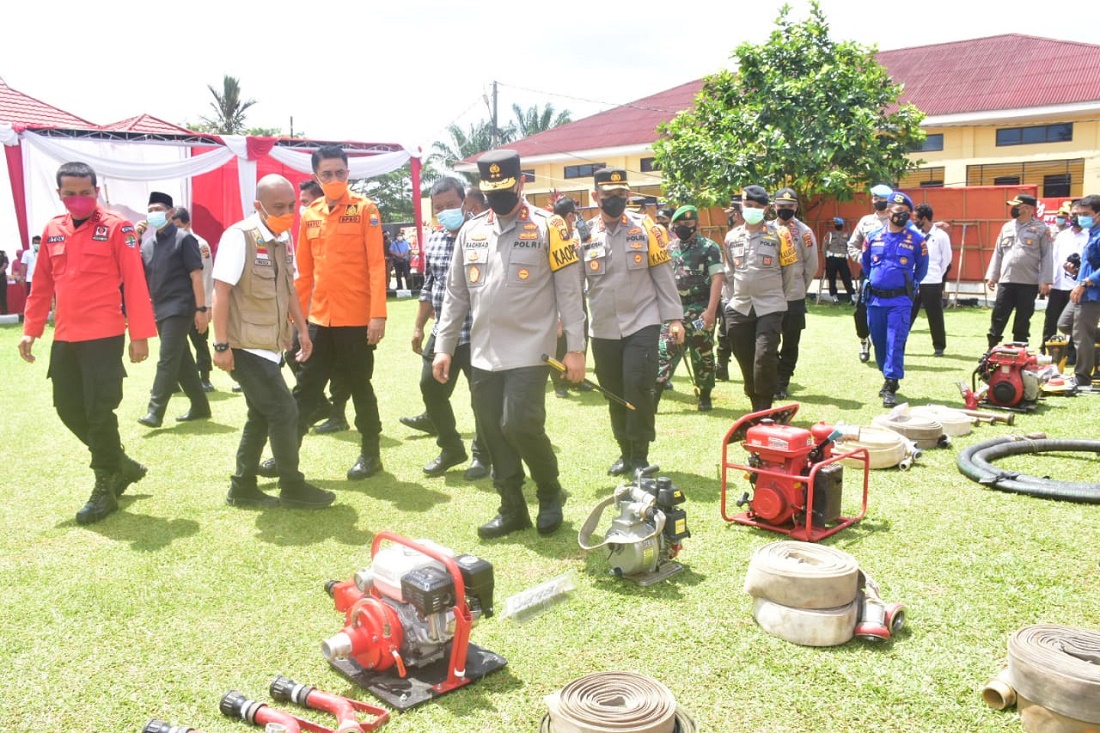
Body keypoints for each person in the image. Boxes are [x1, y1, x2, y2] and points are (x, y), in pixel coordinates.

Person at [432, 149, 586, 539]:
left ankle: (549, 493)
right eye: (491, 192)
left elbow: (570, 293)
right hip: (484, 351)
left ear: (520, 184)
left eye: (505, 190)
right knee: (491, 430)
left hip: (531, 348)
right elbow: (456, 294)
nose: (498, 198)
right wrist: (444, 346)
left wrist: (576, 349)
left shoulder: (551, 226)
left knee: (519, 424)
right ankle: (511, 506)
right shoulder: (472, 231)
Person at [19, 161, 157, 524]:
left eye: (85, 193)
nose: (78, 199)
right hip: (65, 335)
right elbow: (42, 284)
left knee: (99, 411)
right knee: (67, 407)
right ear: (59, 193)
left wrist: (139, 335)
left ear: (96, 191)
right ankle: (121, 463)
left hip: (104, 335)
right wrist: (31, 329)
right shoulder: (53, 229)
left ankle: (104, 485)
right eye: (70, 194)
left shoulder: (117, 227)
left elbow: (134, 281)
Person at [211, 175, 335, 509]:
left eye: (291, 206)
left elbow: (290, 287)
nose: (287, 213)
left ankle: (243, 487)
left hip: (271, 343)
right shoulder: (240, 236)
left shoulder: (283, 237)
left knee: (261, 414)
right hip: (244, 344)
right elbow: (221, 292)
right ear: (258, 206)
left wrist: (302, 330)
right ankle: (292, 485)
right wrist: (220, 345)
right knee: (284, 410)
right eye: (278, 207)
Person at [284, 144, 388, 480]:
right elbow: (303, 273)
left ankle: (370, 454)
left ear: (348, 172)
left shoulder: (365, 209)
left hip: (356, 319)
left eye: (340, 172)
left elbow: (376, 265)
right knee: (305, 386)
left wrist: (377, 315)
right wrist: (295, 321)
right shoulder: (310, 214)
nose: (334, 179)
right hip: (318, 319)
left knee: (359, 386)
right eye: (327, 174)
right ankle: (287, 454)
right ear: (316, 176)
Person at [582, 169, 682, 473]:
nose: (615, 200)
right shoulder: (584, 234)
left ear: (628, 195)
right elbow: (571, 285)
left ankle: (640, 457)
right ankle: (625, 453)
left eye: (621, 194)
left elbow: (663, 276)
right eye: (608, 195)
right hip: (603, 327)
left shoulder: (646, 228)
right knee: (613, 391)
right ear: (595, 196)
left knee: (637, 387)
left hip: (642, 322)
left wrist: (674, 319)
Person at [406, 177, 492, 480]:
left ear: (465, 203)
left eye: (451, 205)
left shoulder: (484, 236)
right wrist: (418, 326)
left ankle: (483, 456)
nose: (445, 212)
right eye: (439, 207)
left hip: (478, 332)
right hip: (443, 332)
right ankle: (451, 447)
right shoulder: (435, 239)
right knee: (430, 387)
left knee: (482, 398)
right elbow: (430, 285)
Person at [137, 192, 211, 427]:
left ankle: (155, 411)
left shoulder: (183, 239)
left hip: (181, 307)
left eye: (158, 209)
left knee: (167, 358)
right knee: (181, 360)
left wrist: (201, 309)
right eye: (150, 210)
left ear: (170, 212)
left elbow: (196, 275)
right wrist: (135, 239)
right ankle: (200, 406)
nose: (153, 214)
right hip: (160, 308)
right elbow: (136, 273)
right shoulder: (147, 245)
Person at [724, 185, 792, 412]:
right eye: (747, 205)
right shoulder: (731, 236)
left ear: (765, 209)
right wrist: (731, 299)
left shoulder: (780, 235)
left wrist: (778, 296)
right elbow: (730, 272)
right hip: (740, 306)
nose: (751, 209)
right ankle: (755, 404)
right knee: (744, 358)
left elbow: (789, 272)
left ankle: (764, 408)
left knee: (764, 357)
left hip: (770, 306)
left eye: (756, 206)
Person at [862, 192, 928, 407]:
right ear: (889, 211)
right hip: (875, 300)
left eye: (907, 213)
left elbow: (922, 269)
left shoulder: (916, 239)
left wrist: (909, 283)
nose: (903, 216)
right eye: (899, 211)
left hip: (900, 301)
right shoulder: (873, 237)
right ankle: (887, 375)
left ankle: (891, 383)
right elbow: (866, 264)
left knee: (895, 341)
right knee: (879, 341)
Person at [656, 205, 722, 410]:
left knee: (702, 352)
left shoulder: (709, 247)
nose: (682, 227)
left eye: (687, 223)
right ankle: (654, 396)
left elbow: (717, 279)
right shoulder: (670, 248)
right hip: (674, 312)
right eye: (678, 224)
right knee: (665, 351)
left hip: (700, 312)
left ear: (697, 225)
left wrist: (711, 312)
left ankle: (705, 395)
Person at [985, 193, 1053, 348]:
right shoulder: (1007, 227)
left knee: (1023, 319)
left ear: (1027, 208)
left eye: (1017, 206)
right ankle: (992, 348)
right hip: (1006, 280)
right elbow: (998, 252)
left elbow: (1047, 256)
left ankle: (1019, 351)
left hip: (1028, 282)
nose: (1013, 209)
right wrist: (993, 275)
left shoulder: (1041, 229)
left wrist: (1045, 280)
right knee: (998, 316)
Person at [772, 188, 817, 400]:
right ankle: (772, 377)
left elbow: (811, 266)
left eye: (789, 206)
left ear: (796, 207)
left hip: (794, 296)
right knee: (768, 340)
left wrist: (799, 288)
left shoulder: (805, 232)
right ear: (774, 206)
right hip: (770, 295)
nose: (785, 209)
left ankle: (783, 381)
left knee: (790, 342)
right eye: (781, 206)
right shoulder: (765, 229)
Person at [848, 184, 893, 363]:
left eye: (881, 199)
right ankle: (864, 340)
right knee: (861, 310)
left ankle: (884, 346)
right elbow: (852, 245)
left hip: (891, 275)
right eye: (875, 198)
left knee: (887, 311)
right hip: (869, 273)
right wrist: (863, 259)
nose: (877, 201)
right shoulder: (865, 221)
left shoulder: (897, 221)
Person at [172, 206, 215, 392]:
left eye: (178, 226)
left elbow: (206, 277)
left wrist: (205, 306)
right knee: (175, 344)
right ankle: (174, 379)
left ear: (188, 224)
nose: (175, 230)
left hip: (196, 302)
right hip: (176, 303)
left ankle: (204, 378)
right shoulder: (168, 243)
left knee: (200, 341)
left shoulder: (200, 245)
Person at [1043, 204, 1087, 357]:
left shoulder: (1089, 236)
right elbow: (1053, 259)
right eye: (1073, 214)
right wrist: (1048, 280)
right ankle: (1047, 350)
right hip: (1058, 284)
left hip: (1077, 286)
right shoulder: (1062, 235)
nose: (1075, 217)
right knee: (1051, 320)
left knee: (1074, 322)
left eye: (1079, 214)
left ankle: (1071, 353)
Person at [910, 203, 953, 356]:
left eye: (916, 218)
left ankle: (939, 346)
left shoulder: (941, 236)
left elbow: (946, 259)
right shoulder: (914, 234)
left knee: (935, 315)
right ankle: (898, 343)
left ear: (925, 219)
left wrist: (937, 274)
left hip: (932, 280)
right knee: (907, 313)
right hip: (914, 279)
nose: (914, 221)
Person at [1069, 195, 1100, 389]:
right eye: (1079, 214)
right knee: (1065, 324)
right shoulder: (1091, 233)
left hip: (1091, 293)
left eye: (1086, 214)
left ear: (1098, 215)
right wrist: (1076, 272)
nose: (1081, 218)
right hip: (1081, 291)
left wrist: (1086, 282)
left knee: (1082, 334)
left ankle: (1082, 378)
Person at [716, 196, 744, 381]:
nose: (730, 217)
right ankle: (721, 367)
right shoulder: (731, 235)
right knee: (724, 332)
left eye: (732, 214)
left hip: (746, 293)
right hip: (729, 293)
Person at [823, 216, 854, 304]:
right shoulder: (830, 234)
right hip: (832, 258)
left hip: (842, 258)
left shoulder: (847, 235)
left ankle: (851, 296)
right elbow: (824, 246)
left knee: (846, 277)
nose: (837, 225)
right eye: (836, 223)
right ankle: (834, 297)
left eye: (839, 224)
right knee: (832, 278)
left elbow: (850, 246)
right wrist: (825, 259)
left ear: (842, 225)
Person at [0, 247, 8, 314]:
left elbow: (5, 265)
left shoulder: (2, 253)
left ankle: (5, 314)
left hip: (1, 278)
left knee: (2, 297)